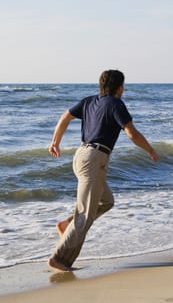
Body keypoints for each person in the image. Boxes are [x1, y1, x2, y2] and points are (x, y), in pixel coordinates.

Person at [47, 69, 158, 271]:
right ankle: (59, 258)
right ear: (119, 87)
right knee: (85, 215)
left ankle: (67, 226)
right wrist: (149, 149)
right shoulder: (116, 104)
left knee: (106, 201)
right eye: (123, 85)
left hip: (82, 156)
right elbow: (131, 132)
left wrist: (55, 142)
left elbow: (64, 117)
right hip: (94, 159)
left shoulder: (88, 101)